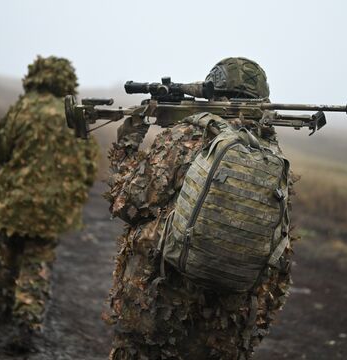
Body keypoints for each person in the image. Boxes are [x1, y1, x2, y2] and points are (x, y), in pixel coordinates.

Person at [105, 57, 295, 359]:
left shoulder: (187, 136)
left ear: (212, 93)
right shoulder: (271, 156)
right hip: (225, 327)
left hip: (157, 308)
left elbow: (127, 204)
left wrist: (127, 143)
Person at [0, 55, 100, 352]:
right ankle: (27, 323)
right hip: (53, 209)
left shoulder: (24, 107)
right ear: (66, 79)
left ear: (35, 75)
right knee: (37, 262)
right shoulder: (76, 114)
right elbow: (89, 166)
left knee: (7, 252)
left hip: (15, 201)